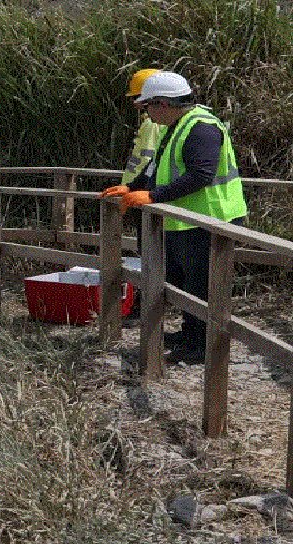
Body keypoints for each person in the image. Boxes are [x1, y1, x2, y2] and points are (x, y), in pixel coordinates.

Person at [100, 71, 248, 365]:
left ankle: (200, 349)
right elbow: (156, 167)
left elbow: (200, 175)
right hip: (188, 220)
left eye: (148, 107)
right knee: (184, 283)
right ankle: (190, 336)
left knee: (202, 288)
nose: (147, 114)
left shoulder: (201, 128)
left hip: (211, 222)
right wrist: (132, 187)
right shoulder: (176, 126)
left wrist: (153, 197)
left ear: (163, 103)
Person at [120, 68, 165, 322]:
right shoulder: (157, 123)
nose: (136, 105)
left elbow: (148, 163)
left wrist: (135, 189)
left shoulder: (151, 125)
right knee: (148, 251)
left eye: (138, 99)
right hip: (140, 194)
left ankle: (142, 306)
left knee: (147, 251)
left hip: (143, 197)